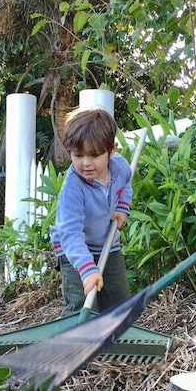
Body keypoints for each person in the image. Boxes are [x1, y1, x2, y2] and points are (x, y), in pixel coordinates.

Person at [51, 107, 133, 316]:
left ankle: (114, 343)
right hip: (75, 251)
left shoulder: (121, 167)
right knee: (83, 305)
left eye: (95, 155)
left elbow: (126, 183)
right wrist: (87, 270)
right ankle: (76, 345)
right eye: (78, 155)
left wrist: (122, 207)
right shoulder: (72, 189)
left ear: (111, 150)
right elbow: (70, 234)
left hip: (107, 244)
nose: (86, 163)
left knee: (119, 301)